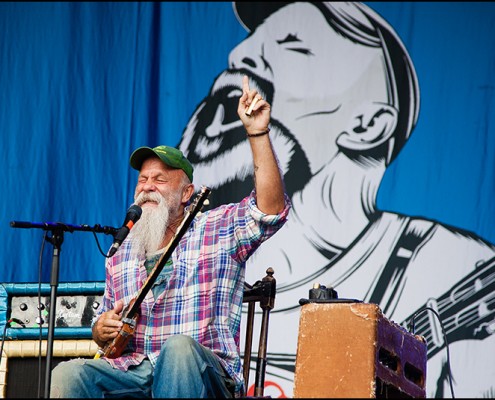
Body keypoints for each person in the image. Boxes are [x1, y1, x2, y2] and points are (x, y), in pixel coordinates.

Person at [178, 2, 495, 398]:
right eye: (251, 42)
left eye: (291, 44)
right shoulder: (190, 251)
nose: (239, 55)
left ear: (367, 125)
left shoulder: (453, 267)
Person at [50, 75, 290, 398]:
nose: (146, 186)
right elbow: (106, 331)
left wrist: (257, 132)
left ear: (187, 193)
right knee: (67, 375)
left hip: (204, 375)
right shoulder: (121, 253)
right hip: (134, 373)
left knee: (177, 351)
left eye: (159, 180)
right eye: (143, 179)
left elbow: (270, 210)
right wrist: (101, 328)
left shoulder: (215, 229)